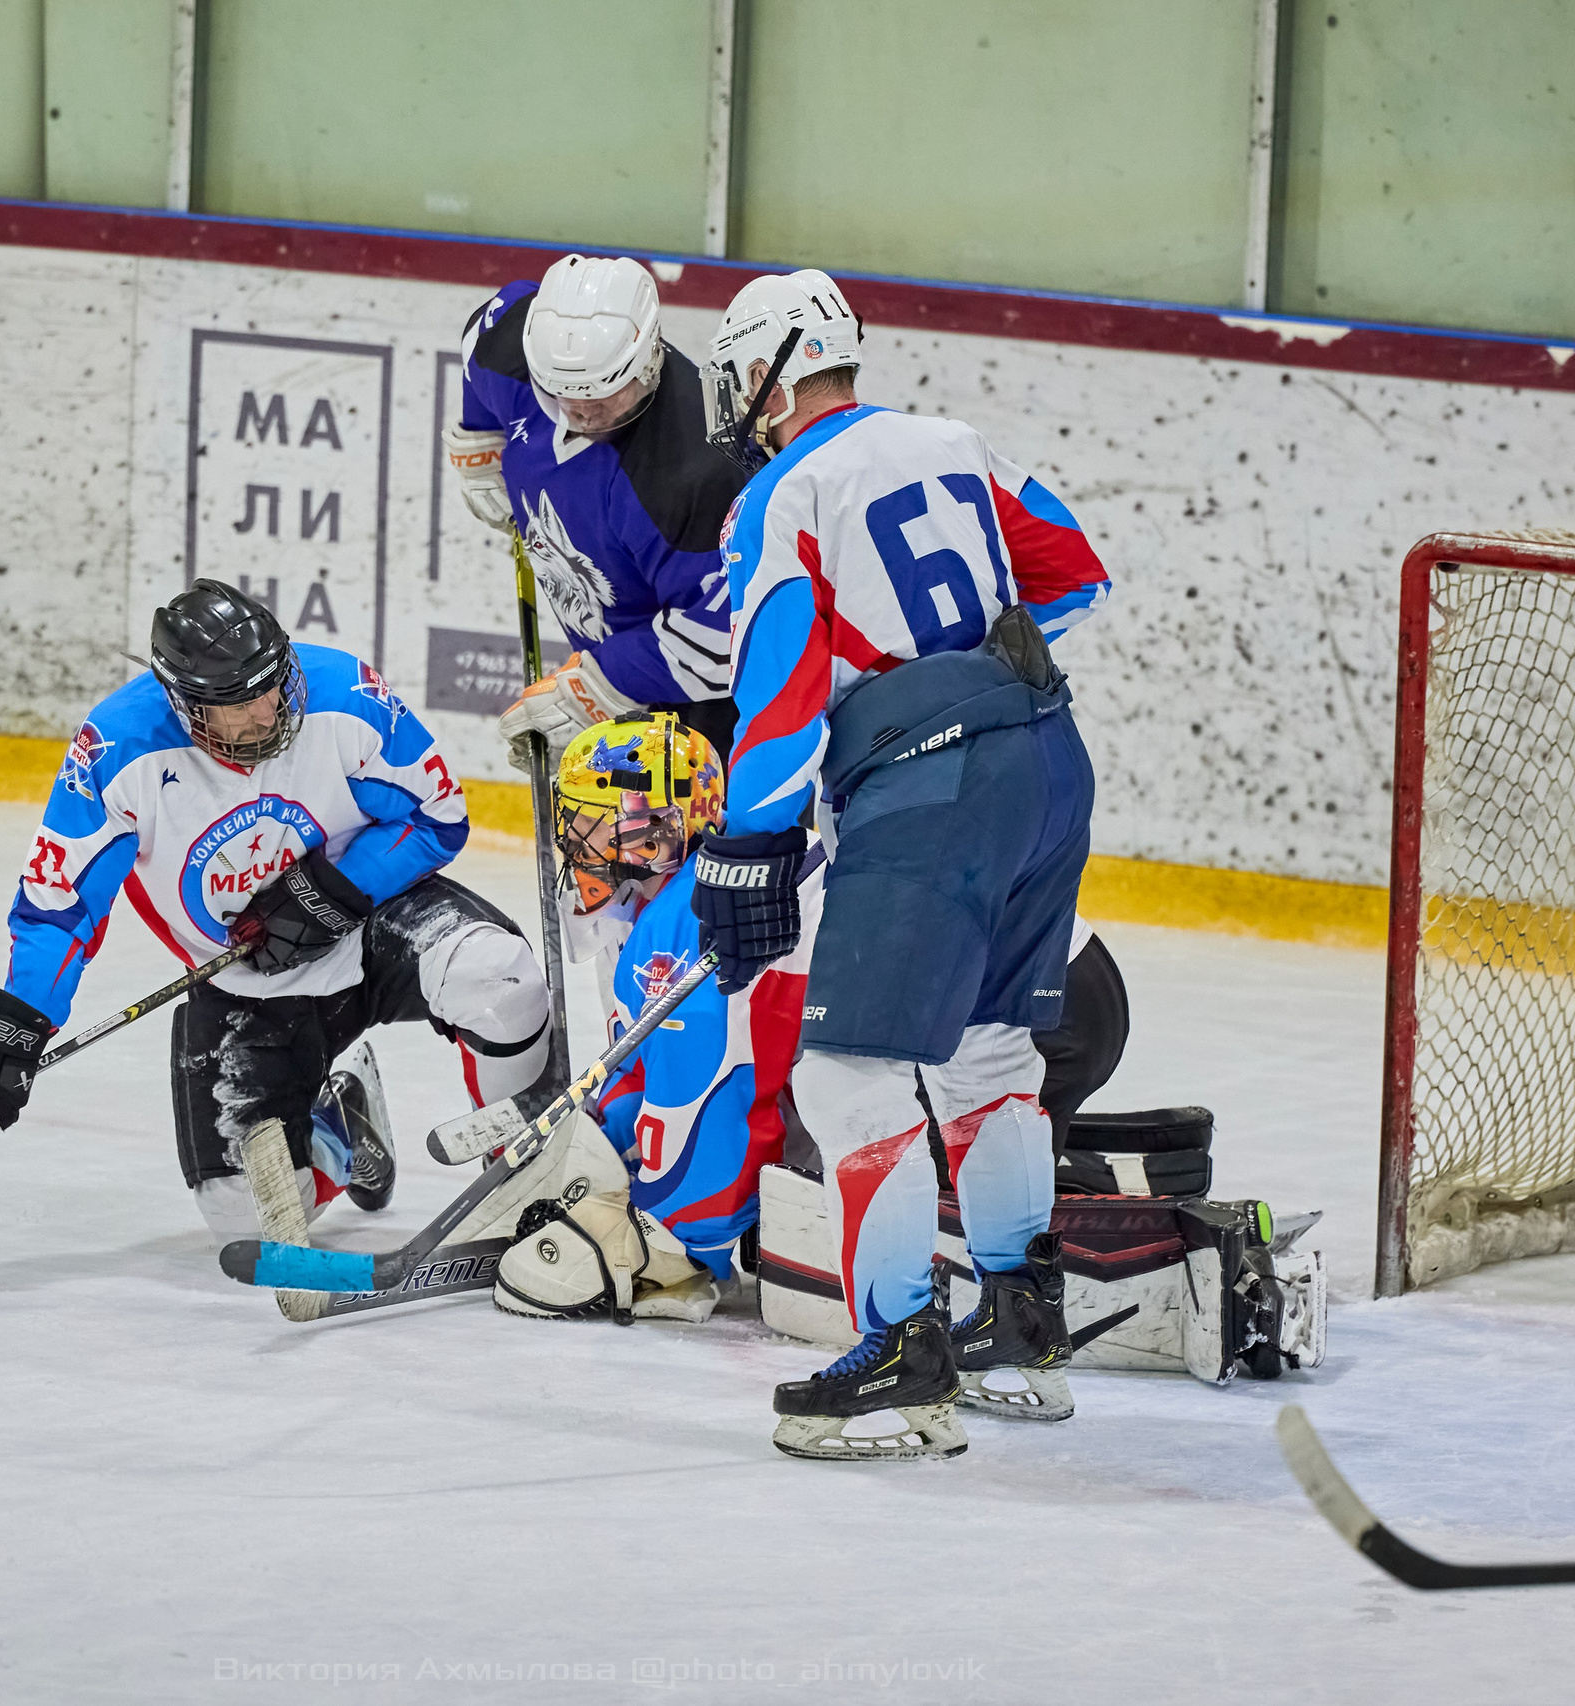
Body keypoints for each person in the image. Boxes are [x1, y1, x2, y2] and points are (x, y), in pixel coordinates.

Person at [689, 268, 1113, 1462]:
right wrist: (962, 683)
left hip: (933, 789)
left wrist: (754, 840)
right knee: (989, 1057)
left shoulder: (781, 488)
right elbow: (1076, 574)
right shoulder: (957, 440)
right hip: (1046, 759)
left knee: (847, 1076)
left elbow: (778, 682)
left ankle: (900, 1356)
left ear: (767, 372)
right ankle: (1022, 1335)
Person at [0, 579, 563, 1252]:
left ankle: (523, 1184)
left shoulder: (344, 695)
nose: (268, 711)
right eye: (239, 703)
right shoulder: (117, 750)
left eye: (273, 684)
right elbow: (60, 907)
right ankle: (345, 1128)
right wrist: (13, 1029)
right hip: (250, 984)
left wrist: (330, 890)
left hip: (377, 924)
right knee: (244, 1217)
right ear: (186, 705)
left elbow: (437, 817)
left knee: (501, 981)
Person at [484, 713, 820, 1324]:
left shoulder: (688, 917)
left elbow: (713, 1091)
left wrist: (673, 1238)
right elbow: (643, 1069)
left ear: (655, 832)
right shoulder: (668, 902)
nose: (572, 839)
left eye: (590, 822)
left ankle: (698, 1234)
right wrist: (598, 1162)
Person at [443, 254, 750, 765]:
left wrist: (598, 686)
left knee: (683, 837)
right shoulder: (511, 342)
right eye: (560, 394)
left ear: (648, 359)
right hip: (617, 643)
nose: (582, 412)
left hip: (709, 708)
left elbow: (724, 637)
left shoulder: (702, 469)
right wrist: (480, 441)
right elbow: (484, 334)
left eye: (604, 395)